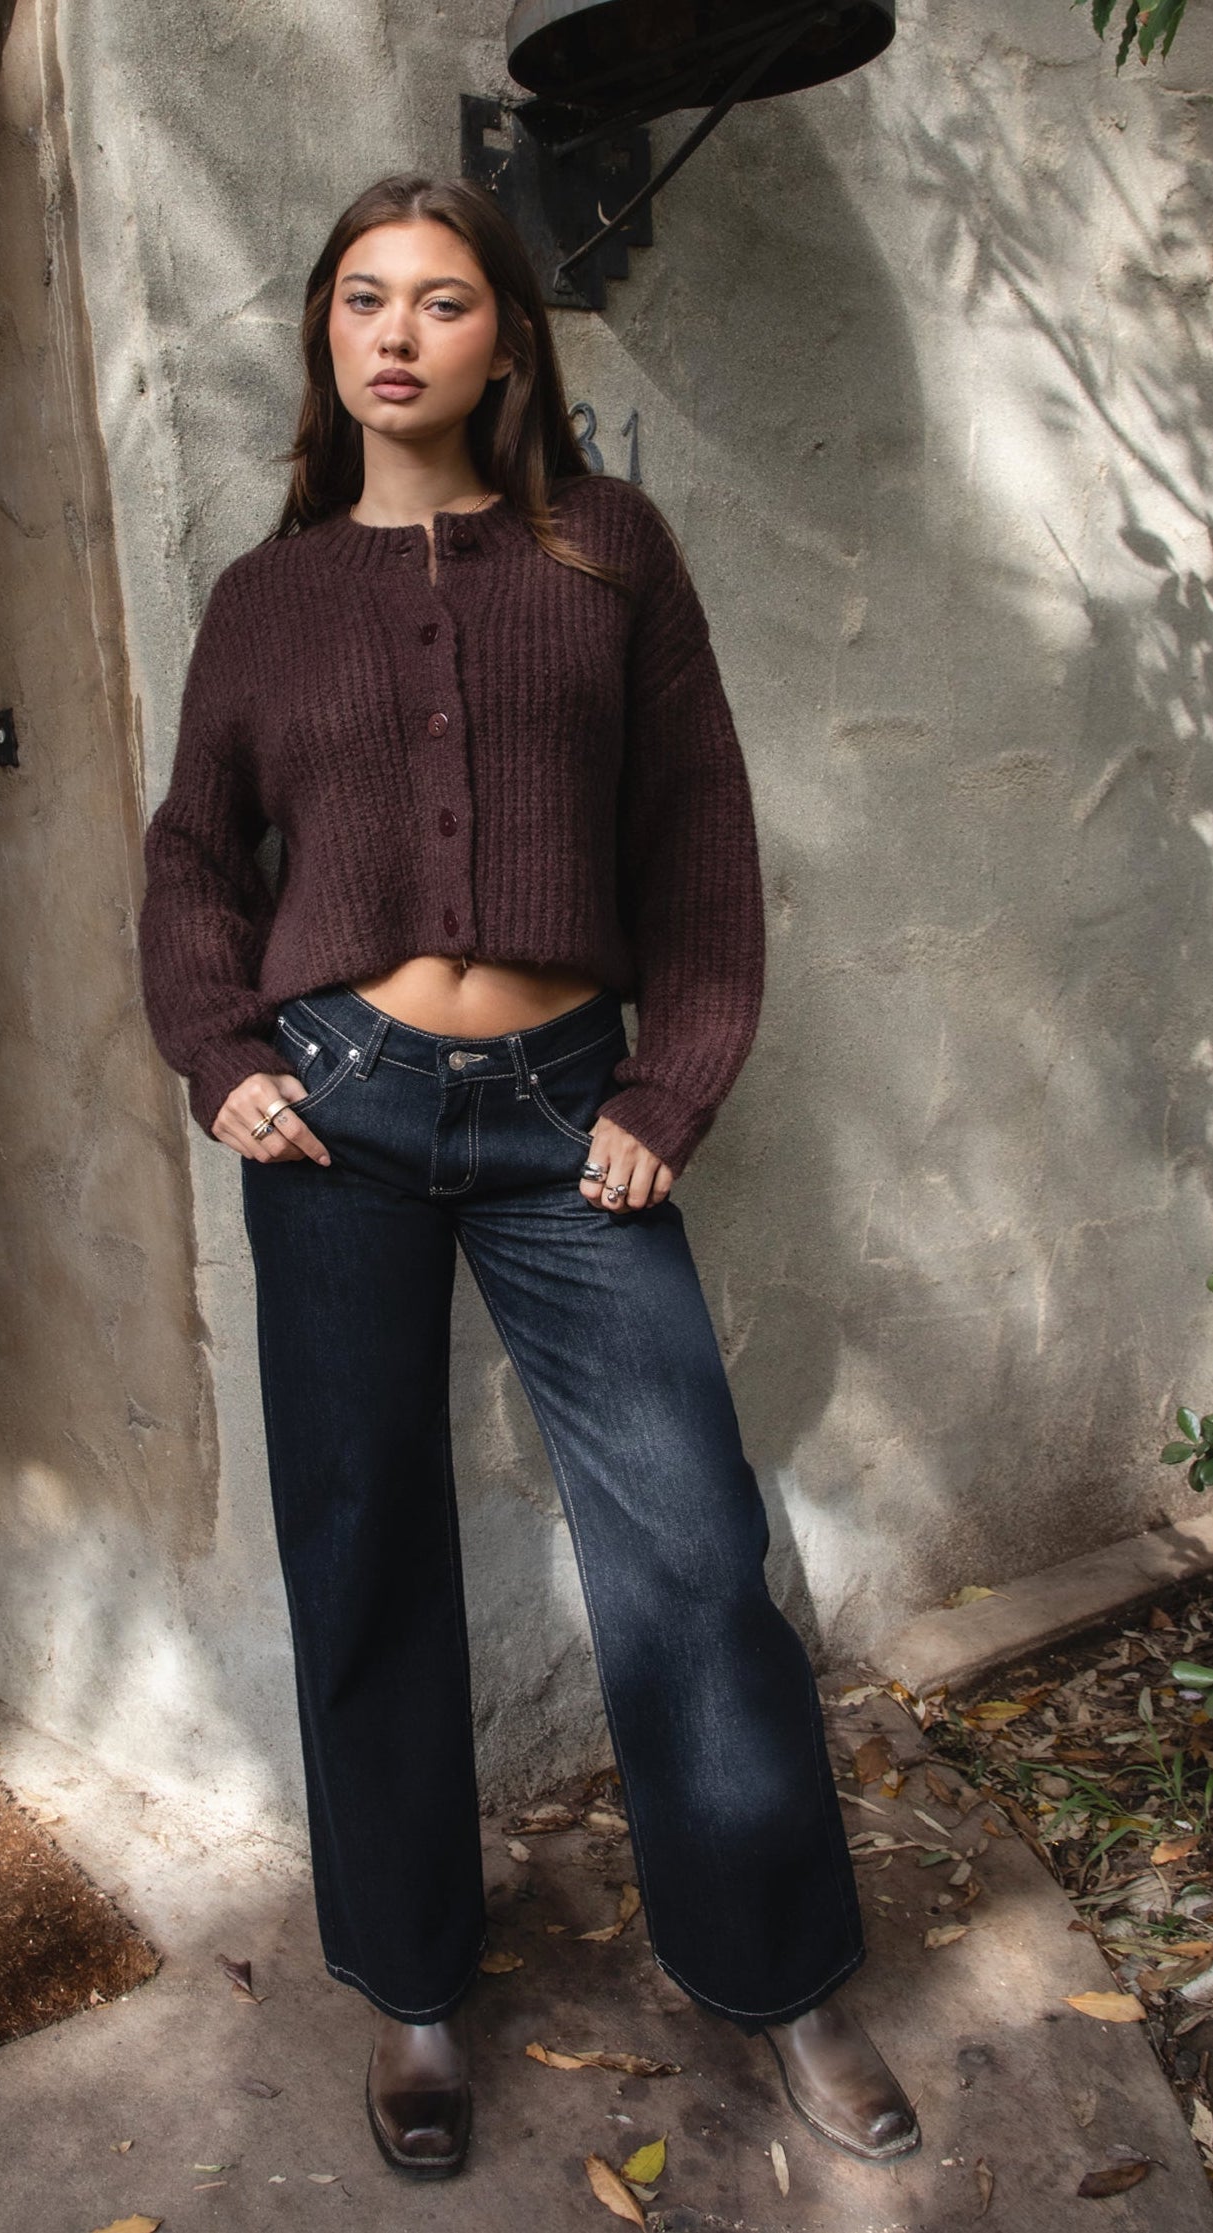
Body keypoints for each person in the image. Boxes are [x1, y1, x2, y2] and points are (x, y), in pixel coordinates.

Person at [137, 170, 918, 2183]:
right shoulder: (265, 597)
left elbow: (703, 849)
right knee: (364, 1548)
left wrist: (676, 1081)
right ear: (328, 343)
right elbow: (191, 865)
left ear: (508, 342)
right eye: (362, 300)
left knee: (683, 1553)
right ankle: (409, 1986)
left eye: (443, 300)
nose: (396, 331)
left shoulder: (609, 553)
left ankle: (777, 1973)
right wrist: (221, 1053)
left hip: (574, 1114)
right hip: (336, 1112)